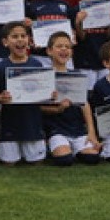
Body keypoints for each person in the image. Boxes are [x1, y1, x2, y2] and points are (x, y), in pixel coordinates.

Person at [0, 22, 48, 165]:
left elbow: (43, 93)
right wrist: (1, 97)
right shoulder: (0, 67)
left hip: (32, 123)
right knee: (9, 163)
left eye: (23, 36)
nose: (20, 40)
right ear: (5, 42)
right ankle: (2, 144)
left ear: (29, 40)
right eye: (15, 36)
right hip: (10, 122)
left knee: (36, 162)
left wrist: (49, 94)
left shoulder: (37, 64)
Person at [44, 32, 101, 166]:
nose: (64, 49)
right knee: (64, 160)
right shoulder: (44, 76)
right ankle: (53, 147)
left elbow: (84, 104)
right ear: (49, 51)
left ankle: (75, 148)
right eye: (59, 46)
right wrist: (58, 109)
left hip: (77, 129)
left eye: (67, 47)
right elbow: (38, 107)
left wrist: (91, 133)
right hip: (56, 129)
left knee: (93, 158)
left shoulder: (77, 75)